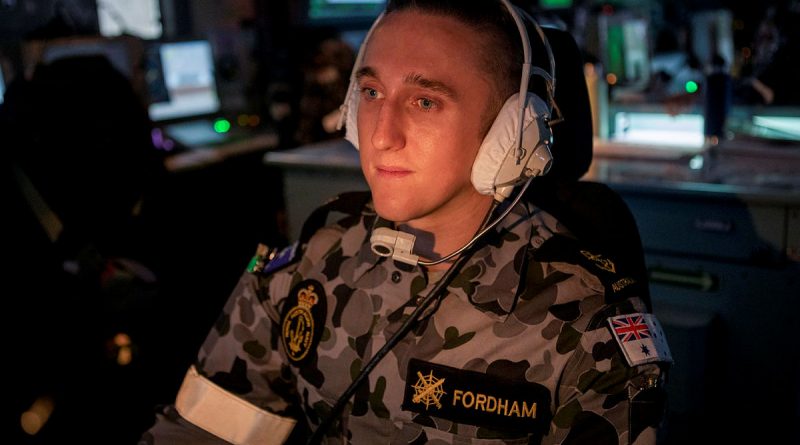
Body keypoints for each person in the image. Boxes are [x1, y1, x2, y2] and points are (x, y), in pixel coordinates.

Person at [140, 1, 672, 444]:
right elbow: (201, 430)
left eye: (424, 100)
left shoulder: (586, 327)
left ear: (513, 134)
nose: (380, 135)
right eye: (371, 94)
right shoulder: (318, 254)